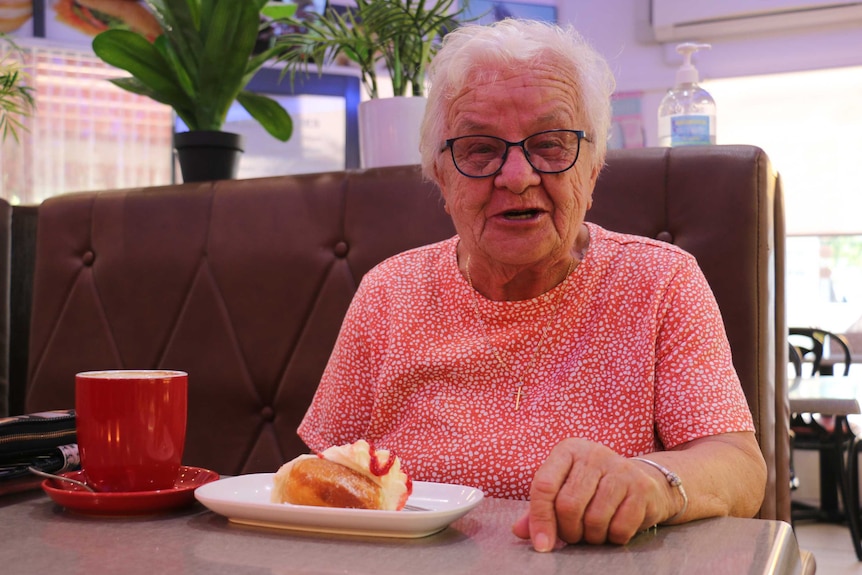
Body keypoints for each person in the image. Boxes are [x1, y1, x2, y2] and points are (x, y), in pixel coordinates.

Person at [298, 19, 767, 552]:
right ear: (441, 178)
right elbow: (322, 474)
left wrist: (651, 482)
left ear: (592, 170)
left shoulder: (660, 282)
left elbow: (739, 466)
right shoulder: (390, 291)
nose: (517, 176)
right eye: (479, 149)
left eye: (549, 144)